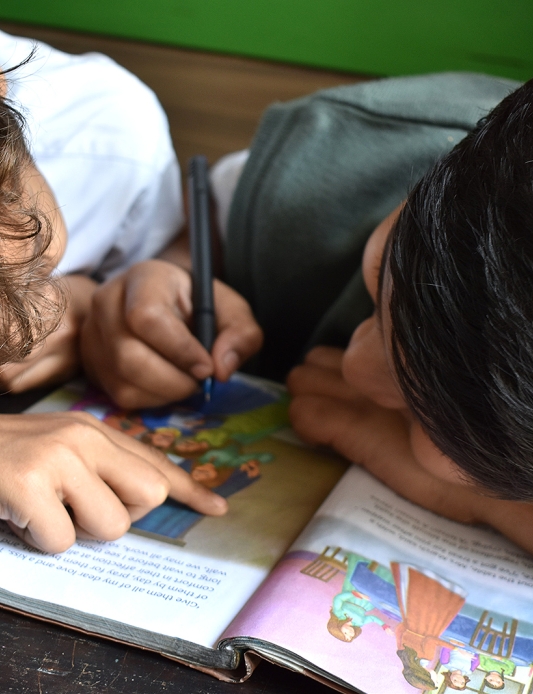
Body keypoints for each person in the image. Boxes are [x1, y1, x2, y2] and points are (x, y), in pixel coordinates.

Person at [3, 28, 533, 555]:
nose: (355, 366)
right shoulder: (328, 166)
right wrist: (167, 273)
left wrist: (487, 502)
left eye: (429, 414)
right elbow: (201, 232)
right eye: (383, 280)